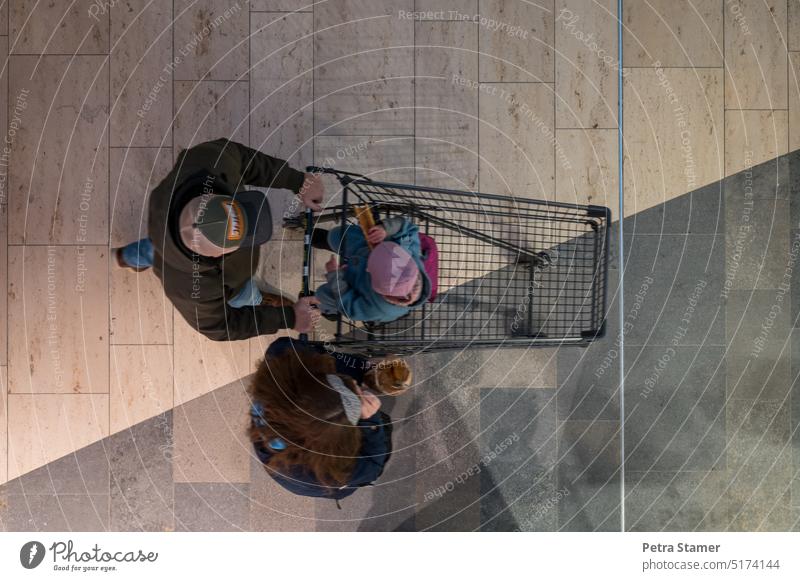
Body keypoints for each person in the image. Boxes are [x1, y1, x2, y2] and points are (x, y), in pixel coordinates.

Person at [114, 139, 322, 340]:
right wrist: (287, 317)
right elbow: (219, 326)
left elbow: (242, 158)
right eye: (236, 244)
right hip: (223, 281)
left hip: (163, 229)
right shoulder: (193, 288)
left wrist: (298, 180)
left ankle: (130, 256)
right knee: (244, 295)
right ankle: (255, 299)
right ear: (215, 258)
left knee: (163, 249)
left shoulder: (210, 162)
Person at [248, 338, 392, 501]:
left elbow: (283, 347)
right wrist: (371, 423)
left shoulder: (274, 396)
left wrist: (361, 368)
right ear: (338, 444)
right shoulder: (329, 472)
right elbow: (372, 466)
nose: (355, 383)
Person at [312, 216, 432, 323]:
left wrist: (335, 276)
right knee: (339, 235)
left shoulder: (377, 309)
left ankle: (330, 312)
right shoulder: (409, 252)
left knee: (323, 295)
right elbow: (407, 228)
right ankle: (326, 239)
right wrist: (384, 229)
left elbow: (350, 308)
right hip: (366, 250)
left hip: (354, 285)